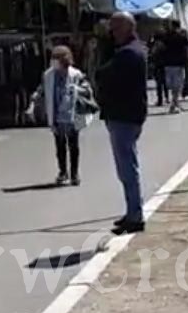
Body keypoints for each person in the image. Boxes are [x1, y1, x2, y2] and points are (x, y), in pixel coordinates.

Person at [96, 12, 148, 234]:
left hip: (124, 116)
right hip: (124, 115)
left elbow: (103, 74)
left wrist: (105, 49)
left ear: (128, 27)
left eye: (116, 29)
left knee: (127, 168)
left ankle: (135, 216)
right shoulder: (131, 50)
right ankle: (132, 212)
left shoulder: (129, 53)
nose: (112, 33)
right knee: (126, 167)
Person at [35, 45, 95, 186]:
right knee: (60, 146)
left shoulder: (76, 74)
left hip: (72, 115)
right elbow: (41, 90)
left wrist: (77, 89)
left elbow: (88, 90)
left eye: (56, 59)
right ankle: (63, 172)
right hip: (56, 116)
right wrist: (34, 102)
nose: (54, 62)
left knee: (73, 145)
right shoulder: (48, 75)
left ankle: (74, 174)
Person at [160, 23, 188, 115]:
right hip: (179, 64)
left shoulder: (166, 36)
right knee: (177, 85)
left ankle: (175, 104)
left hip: (168, 64)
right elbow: (186, 49)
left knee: (172, 86)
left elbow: (162, 48)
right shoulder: (182, 37)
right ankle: (175, 103)